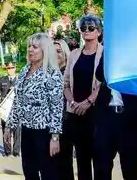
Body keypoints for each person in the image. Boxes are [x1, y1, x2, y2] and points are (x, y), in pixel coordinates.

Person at [6, 32, 64, 180]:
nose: (30, 49)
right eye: (29, 46)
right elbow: (17, 101)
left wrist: (55, 138)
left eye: (35, 47)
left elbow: (56, 107)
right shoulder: (25, 70)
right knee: (29, 171)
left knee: (48, 173)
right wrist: (9, 126)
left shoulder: (52, 74)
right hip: (26, 130)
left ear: (45, 50)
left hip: (44, 132)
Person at [94, 51, 137, 180]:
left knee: (130, 167)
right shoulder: (109, 49)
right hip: (106, 115)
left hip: (130, 118)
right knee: (101, 166)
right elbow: (99, 75)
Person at [63, 15, 104, 180]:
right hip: (76, 113)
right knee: (81, 161)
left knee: (101, 162)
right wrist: (73, 102)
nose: (87, 31)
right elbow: (65, 83)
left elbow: (104, 84)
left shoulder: (105, 54)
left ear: (99, 31)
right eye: (83, 28)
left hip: (96, 115)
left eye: (91, 28)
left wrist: (88, 102)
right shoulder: (74, 54)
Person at [54, 38, 74, 180]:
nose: (55, 54)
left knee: (64, 165)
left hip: (65, 123)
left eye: (59, 51)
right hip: (50, 125)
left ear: (66, 53)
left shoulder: (70, 73)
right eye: (52, 52)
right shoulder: (49, 73)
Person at [0, 61, 20, 157]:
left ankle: (16, 151)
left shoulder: (20, 80)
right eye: (8, 68)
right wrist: (2, 102)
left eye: (12, 68)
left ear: (15, 68)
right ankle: (7, 151)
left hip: (16, 110)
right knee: (6, 130)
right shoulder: (1, 80)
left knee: (17, 131)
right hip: (5, 110)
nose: (10, 70)